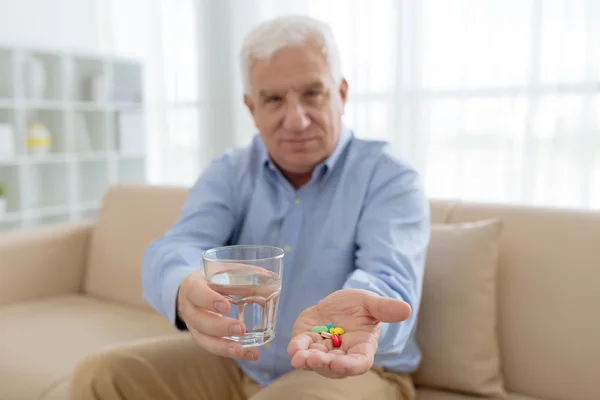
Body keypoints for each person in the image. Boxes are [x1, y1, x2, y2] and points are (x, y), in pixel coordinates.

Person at [68, 14, 431, 400]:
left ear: (341, 93)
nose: (296, 119)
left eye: (313, 93)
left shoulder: (389, 177)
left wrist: (350, 322)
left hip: (348, 369)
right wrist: (185, 286)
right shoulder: (230, 172)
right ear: (251, 108)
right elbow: (175, 246)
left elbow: (389, 279)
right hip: (242, 358)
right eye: (274, 99)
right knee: (101, 377)